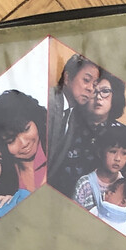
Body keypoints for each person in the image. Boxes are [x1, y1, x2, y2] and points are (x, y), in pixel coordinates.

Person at [48, 54, 100, 195]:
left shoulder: (72, 115)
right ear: (67, 78)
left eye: (94, 85)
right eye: (86, 80)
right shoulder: (49, 101)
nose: (90, 89)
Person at [0, 90, 48, 190]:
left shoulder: (59, 150)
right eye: (11, 140)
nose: (24, 143)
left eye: (26, 129)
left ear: (36, 120)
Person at [74, 123, 126, 214]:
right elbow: (73, 214)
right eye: (113, 151)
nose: (118, 158)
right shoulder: (84, 184)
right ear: (100, 152)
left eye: (124, 153)